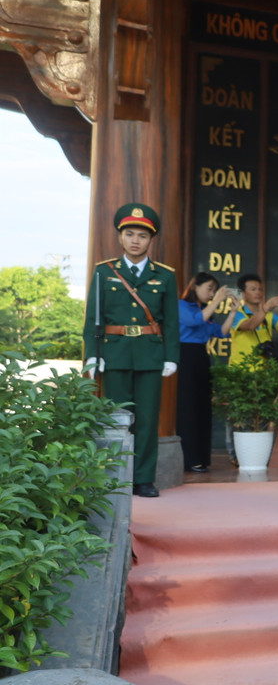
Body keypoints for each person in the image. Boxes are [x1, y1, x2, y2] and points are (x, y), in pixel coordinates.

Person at [83, 203, 181, 498]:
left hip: (150, 355)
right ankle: (114, 476)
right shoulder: (104, 271)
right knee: (115, 417)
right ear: (120, 237)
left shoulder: (165, 275)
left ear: (151, 240)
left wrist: (171, 356)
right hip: (114, 354)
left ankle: (143, 479)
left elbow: (171, 321)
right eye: (130, 234)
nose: (135, 240)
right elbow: (93, 318)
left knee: (148, 420)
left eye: (142, 235)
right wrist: (93, 354)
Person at [177, 272, 231, 473]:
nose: (212, 293)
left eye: (214, 290)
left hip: (201, 357)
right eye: (209, 289)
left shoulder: (204, 310)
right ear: (195, 287)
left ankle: (201, 457)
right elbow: (194, 321)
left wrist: (233, 311)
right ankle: (189, 459)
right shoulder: (182, 305)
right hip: (185, 356)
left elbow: (221, 332)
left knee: (202, 407)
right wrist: (217, 301)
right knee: (187, 408)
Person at [225, 273, 278, 365]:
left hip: (264, 369)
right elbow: (250, 326)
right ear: (243, 294)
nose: (258, 292)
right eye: (253, 289)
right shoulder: (236, 313)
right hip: (241, 369)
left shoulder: (268, 315)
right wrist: (267, 306)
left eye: (260, 289)